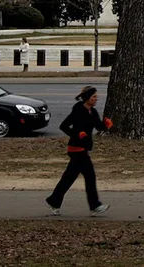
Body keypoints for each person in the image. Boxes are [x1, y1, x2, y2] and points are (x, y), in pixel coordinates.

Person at [46, 86, 111, 216]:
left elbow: (98, 126)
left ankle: (54, 200)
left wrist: (106, 125)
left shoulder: (93, 112)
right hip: (76, 149)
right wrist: (77, 134)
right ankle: (95, 206)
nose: (96, 99)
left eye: (96, 96)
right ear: (87, 98)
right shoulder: (78, 110)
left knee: (68, 178)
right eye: (94, 97)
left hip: (83, 148)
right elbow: (63, 126)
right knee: (90, 175)